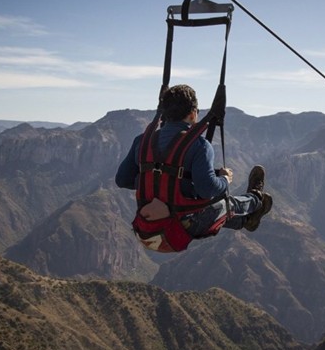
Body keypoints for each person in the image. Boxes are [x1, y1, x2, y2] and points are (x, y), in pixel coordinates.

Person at [115, 84, 272, 245]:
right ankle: (257, 199)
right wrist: (225, 179)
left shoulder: (142, 141)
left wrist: (155, 182)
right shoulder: (200, 146)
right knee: (226, 204)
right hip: (184, 225)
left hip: (148, 224)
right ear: (192, 114)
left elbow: (122, 180)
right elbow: (206, 190)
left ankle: (245, 221)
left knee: (213, 207)